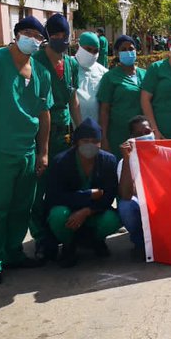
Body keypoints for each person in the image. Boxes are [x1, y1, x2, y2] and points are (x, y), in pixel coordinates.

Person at [0, 15, 53, 285]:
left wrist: (43, 151)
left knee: (21, 208)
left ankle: (13, 252)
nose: (32, 39)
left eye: (38, 36)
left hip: (26, 150)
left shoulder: (40, 72)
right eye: (27, 33)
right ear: (16, 34)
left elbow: (44, 112)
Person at [29, 13, 82, 260]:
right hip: (42, 133)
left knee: (64, 184)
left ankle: (64, 233)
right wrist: (43, 148)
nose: (61, 40)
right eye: (56, 35)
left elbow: (74, 100)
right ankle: (41, 238)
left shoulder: (70, 64)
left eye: (64, 35)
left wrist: (80, 129)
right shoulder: (36, 62)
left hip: (66, 134)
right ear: (48, 36)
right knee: (40, 188)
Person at [44, 117, 120, 269]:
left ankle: (96, 241)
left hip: (94, 212)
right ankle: (68, 245)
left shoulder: (109, 161)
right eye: (85, 141)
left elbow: (109, 196)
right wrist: (87, 195)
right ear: (77, 142)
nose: (90, 145)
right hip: (68, 211)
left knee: (113, 219)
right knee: (58, 215)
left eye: (94, 141)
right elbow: (53, 196)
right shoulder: (61, 161)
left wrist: (87, 211)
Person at [96, 35, 146, 160]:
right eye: (123, 49)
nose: (128, 51)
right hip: (118, 135)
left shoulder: (145, 74)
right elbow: (104, 110)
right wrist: (104, 139)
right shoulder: (110, 77)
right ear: (117, 53)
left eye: (131, 48)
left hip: (142, 135)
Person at [117, 115, 154, 258]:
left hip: (164, 204)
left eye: (147, 132)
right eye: (139, 135)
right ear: (131, 138)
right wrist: (127, 159)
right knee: (126, 206)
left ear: (153, 132)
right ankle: (141, 244)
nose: (144, 137)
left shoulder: (169, 154)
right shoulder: (125, 162)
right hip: (142, 205)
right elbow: (126, 195)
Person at [74, 31, 108, 124]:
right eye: (88, 50)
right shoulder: (68, 67)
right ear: (78, 47)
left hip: (95, 129)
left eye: (95, 51)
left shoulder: (103, 72)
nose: (92, 54)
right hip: (72, 128)